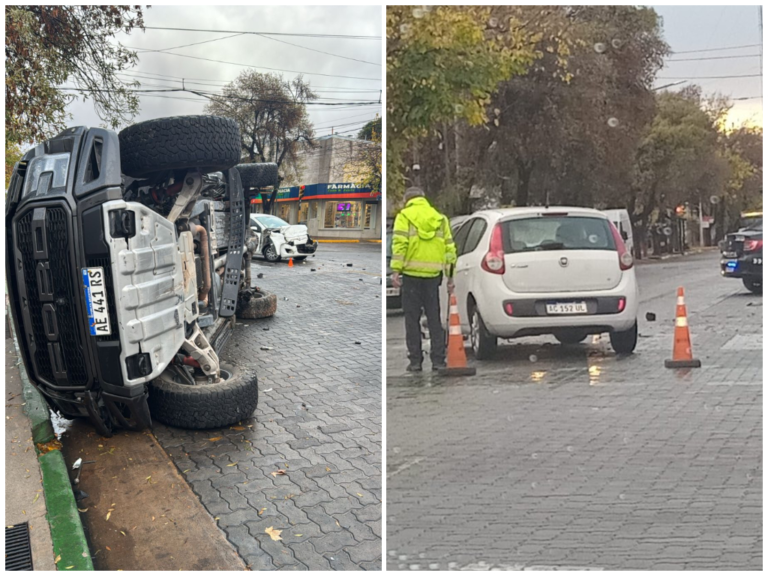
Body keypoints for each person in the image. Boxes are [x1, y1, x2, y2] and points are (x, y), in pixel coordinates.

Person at [390, 187, 457, 372]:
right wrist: (450, 276)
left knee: (412, 319)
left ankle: (415, 361)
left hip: (411, 275)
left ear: (407, 200)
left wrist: (396, 271)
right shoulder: (440, 219)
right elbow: (449, 250)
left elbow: (400, 244)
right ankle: (438, 360)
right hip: (433, 276)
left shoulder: (404, 216)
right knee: (434, 318)